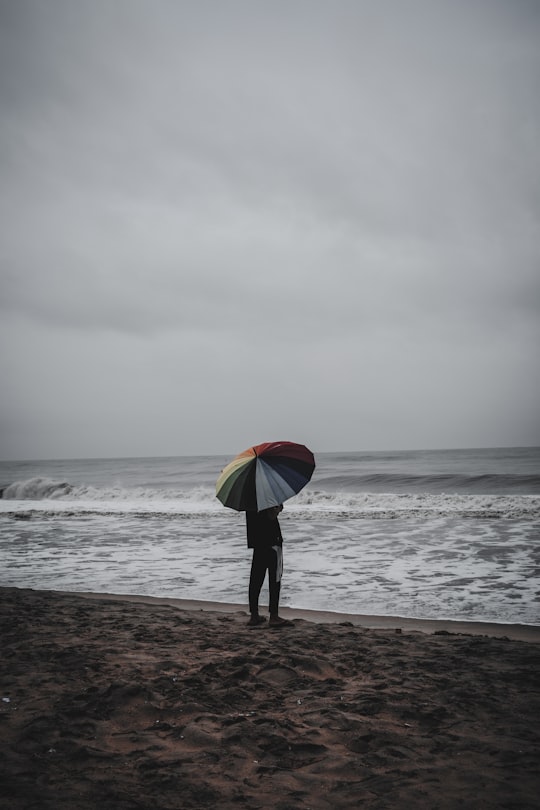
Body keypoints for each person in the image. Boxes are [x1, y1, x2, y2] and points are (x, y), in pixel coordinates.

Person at [245, 504, 293, 628]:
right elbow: (270, 516)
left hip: (257, 541)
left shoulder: (250, 497)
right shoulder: (267, 495)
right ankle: (274, 616)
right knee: (275, 579)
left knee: (256, 578)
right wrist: (277, 509)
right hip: (272, 541)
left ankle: (254, 615)